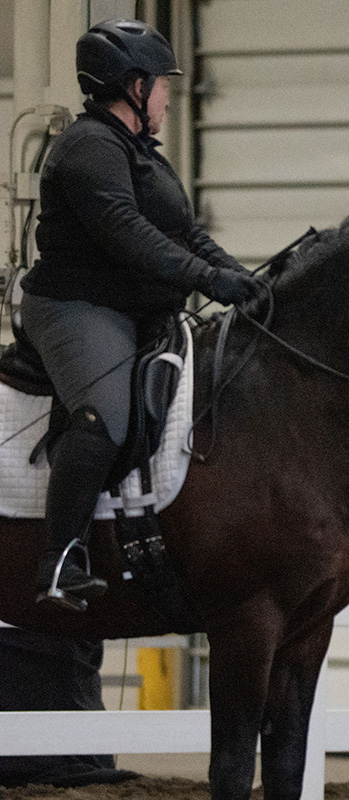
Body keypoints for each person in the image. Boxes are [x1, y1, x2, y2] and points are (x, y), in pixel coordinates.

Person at [21, 19, 262, 611]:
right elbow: (129, 236)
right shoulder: (85, 149)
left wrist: (246, 280)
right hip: (78, 306)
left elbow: (184, 233)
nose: (166, 98)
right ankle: (60, 560)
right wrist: (209, 280)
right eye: (161, 86)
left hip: (137, 307)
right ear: (133, 85)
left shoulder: (141, 153)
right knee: (107, 417)